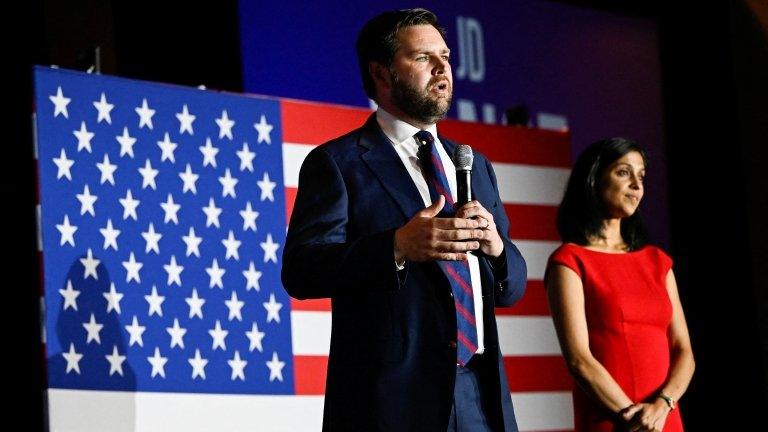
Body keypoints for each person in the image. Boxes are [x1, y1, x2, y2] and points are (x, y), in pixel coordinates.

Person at [281, 8, 527, 432]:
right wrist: (396, 246)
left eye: (445, 56)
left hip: (479, 395)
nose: (442, 68)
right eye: (422, 58)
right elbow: (302, 271)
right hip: (394, 401)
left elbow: (512, 290)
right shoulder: (339, 163)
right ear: (382, 74)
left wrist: (497, 249)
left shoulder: (473, 164)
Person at [545, 138, 695, 432]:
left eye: (641, 176)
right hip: (613, 419)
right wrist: (637, 419)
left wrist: (662, 405)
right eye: (624, 173)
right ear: (594, 179)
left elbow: (684, 351)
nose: (637, 186)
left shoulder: (657, 262)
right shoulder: (570, 260)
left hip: (664, 418)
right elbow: (579, 359)